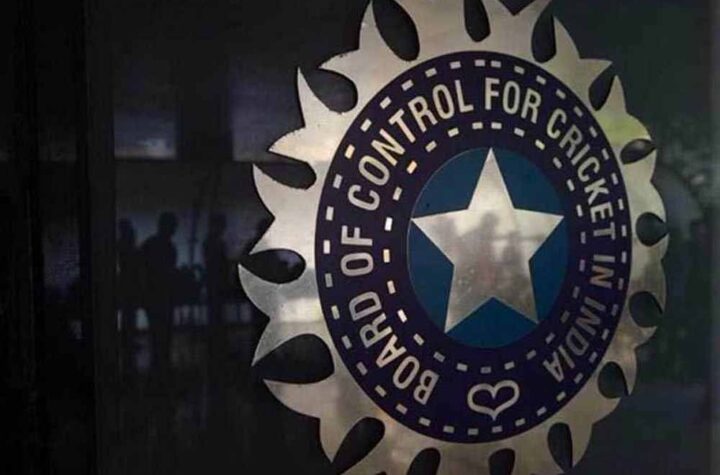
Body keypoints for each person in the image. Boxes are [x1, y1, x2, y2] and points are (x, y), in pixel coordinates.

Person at [140, 212, 179, 375]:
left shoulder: (151, 245)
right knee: (162, 334)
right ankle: (162, 366)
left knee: (159, 334)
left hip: (157, 296)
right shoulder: (167, 247)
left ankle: (159, 367)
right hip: (159, 296)